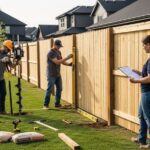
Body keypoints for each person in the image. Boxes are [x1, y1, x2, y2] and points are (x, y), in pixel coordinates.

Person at [130, 35, 150, 149]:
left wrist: (136, 80)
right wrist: (136, 72)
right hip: (145, 93)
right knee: (141, 116)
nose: (143, 47)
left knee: (149, 118)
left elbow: (149, 78)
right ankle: (141, 139)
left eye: (145, 45)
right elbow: (146, 75)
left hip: (148, 93)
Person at [43, 40, 73, 109]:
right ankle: (45, 105)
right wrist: (68, 57)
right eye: (58, 46)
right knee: (49, 89)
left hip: (57, 74)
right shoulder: (50, 53)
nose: (59, 47)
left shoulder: (58, 52)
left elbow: (61, 61)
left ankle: (57, 104)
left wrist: (69, 64)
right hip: (51, 74)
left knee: (59, 88)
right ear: (54, 45)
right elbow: (57, 62)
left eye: (60, 46)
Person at [0, 40, 18, 114]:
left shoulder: (7, 55)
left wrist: (16, 62)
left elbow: (12, 66)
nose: (8, 51)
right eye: (8, 49)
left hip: (1, 78)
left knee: (3, 93)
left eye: (9, 50)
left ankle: (2, 110)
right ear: (4, 47)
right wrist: (1, 60)